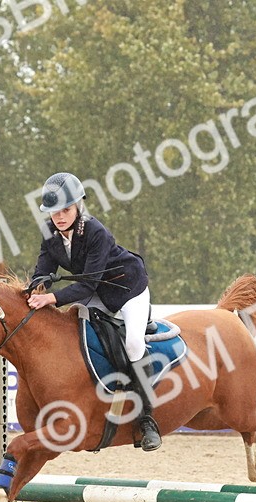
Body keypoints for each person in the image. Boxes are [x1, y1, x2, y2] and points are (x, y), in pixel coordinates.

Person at [26, 172, 162, 451]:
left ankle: (146, 419)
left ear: (78, 207)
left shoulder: (95, 232)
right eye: (54, 211)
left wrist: (51, 297)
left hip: (128, 290)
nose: (60, 217)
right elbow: (42, 270)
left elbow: (88, 284)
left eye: (66, 209)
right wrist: (35, 288)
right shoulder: (49, 233)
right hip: (98, 293)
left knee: (134, 343)